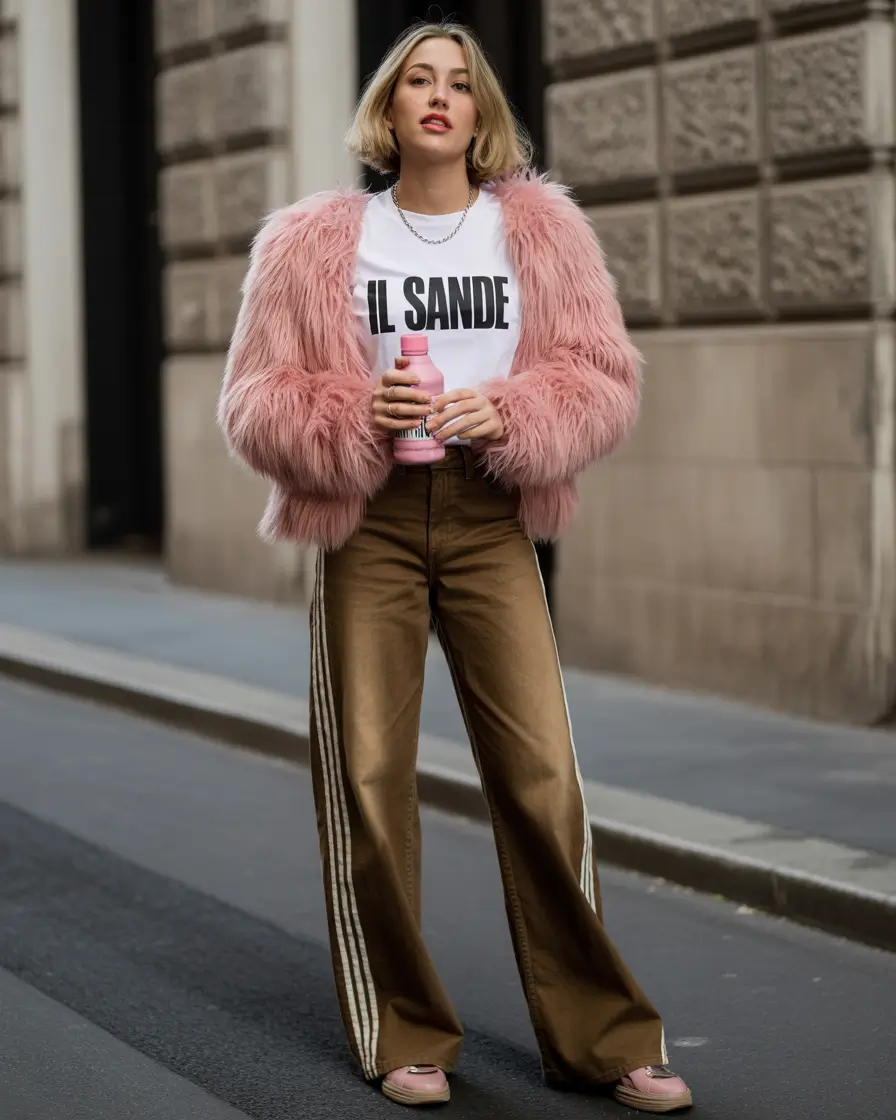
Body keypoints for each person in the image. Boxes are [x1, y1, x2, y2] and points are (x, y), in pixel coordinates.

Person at [217, 19, 693, 1115]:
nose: (439, 95)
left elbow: (602, 378)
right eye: (418, 80)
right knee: (369, 778)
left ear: (480, 112)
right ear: (388, 109)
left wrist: (509, 409)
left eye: (460, 82)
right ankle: (403, 1031)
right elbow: (252, 401)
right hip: (370, 522)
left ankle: (605, 1038)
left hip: (487, 518)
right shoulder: (314, 241)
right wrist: (356, 411)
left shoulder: (538, 232)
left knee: (543, 779)